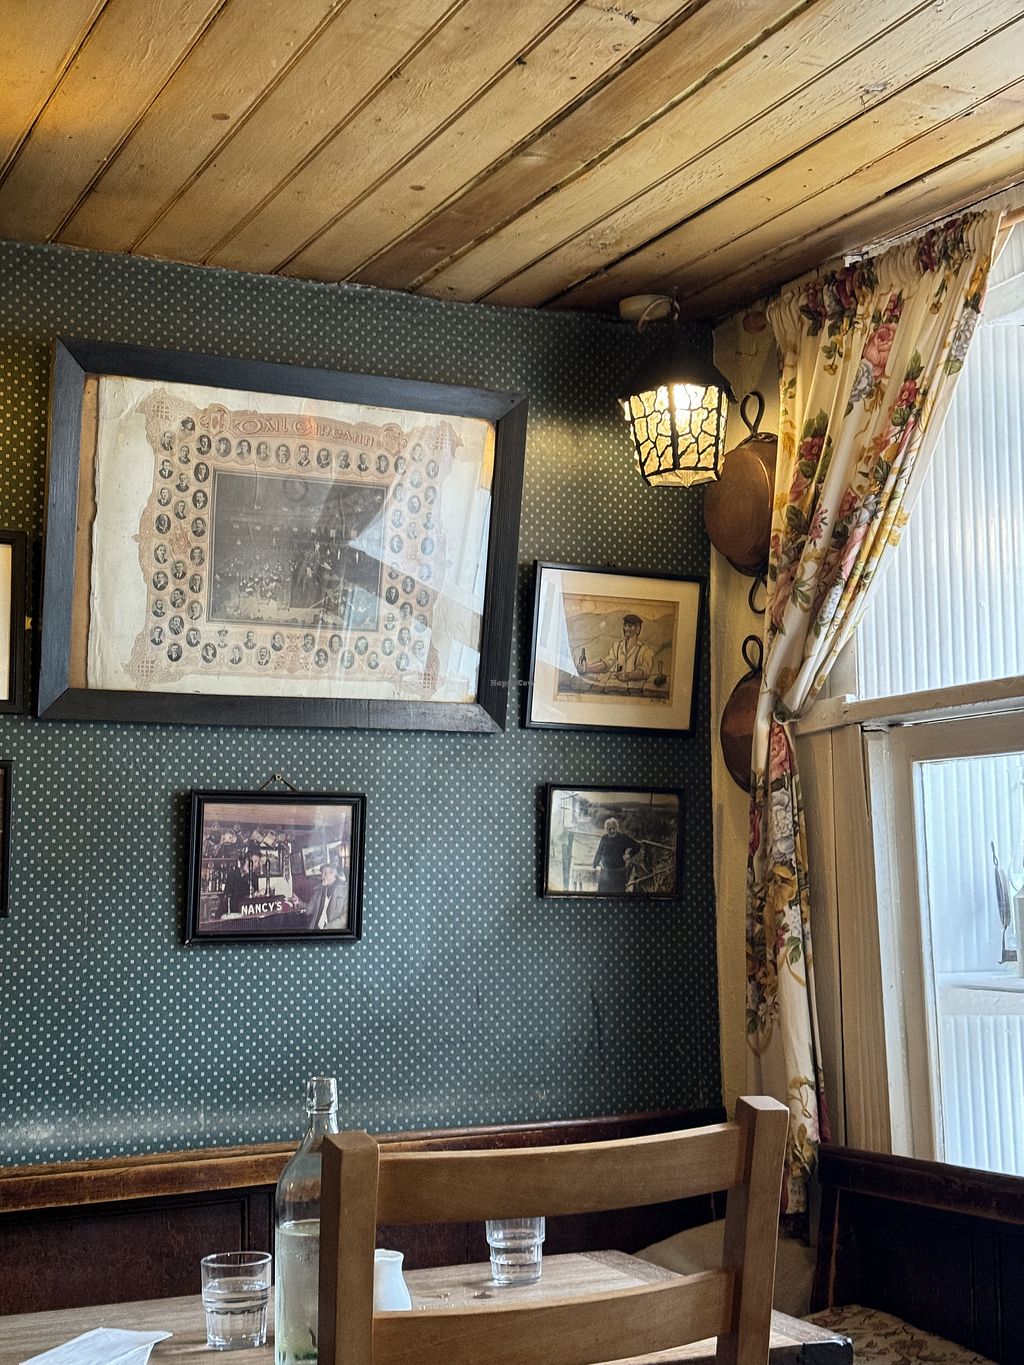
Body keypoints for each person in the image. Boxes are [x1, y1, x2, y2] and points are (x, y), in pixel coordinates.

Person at [580, 613, 654, 692]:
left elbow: (644, 671)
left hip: (635, 692)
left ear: (638, 629)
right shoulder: (617, 646)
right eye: (625, 625)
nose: (625, 628)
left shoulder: (646, 651)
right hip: (616, 689)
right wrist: (588, 668)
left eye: (629, 626)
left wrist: (628, 676)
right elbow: (606, 663)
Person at [592, 817, 641, 894]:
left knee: (617, 895)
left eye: (614, 828)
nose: (612, 831)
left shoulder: (622, 838)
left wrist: (629, 855)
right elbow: (599, 852)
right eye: (609, 829)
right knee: (603, 895)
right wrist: (594, 865)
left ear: (617, 828)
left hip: (618, 874)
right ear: (606, 829)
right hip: (605, 874)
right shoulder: (604, 838)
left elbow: (637, 846)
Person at [307, 862, 348, 930]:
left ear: (333, 874)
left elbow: (345, 917)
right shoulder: (319, 889)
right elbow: (309, 909)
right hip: (315, 929)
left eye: (325, 873)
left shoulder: (345, 890)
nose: (322, 876)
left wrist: (328, 928)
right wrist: (298, 902)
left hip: (333, 930)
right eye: (322, 873)